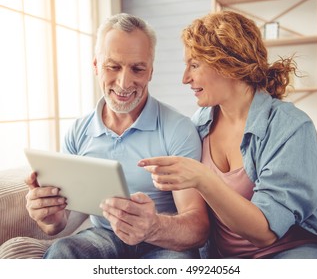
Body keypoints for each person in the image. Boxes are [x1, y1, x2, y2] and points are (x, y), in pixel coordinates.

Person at [138, 10, 317, 259]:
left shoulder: (290, 127)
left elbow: (265, 233)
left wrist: (203, 178)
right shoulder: (197, 126)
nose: (185, 78)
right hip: (223, 259)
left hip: (291, 251)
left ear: (228, 64)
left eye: (194, 65)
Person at [25, 13, 209, 259]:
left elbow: (198, 229)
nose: (124, 83)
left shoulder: (178, 130)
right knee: (62, 251)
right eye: (113, 66)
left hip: (164, 243)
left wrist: (154, 226)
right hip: (104, 235)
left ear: (151, 71)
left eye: (137, 68)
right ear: (95, 66)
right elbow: (58, 225)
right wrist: (50, 217)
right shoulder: (79, 132)